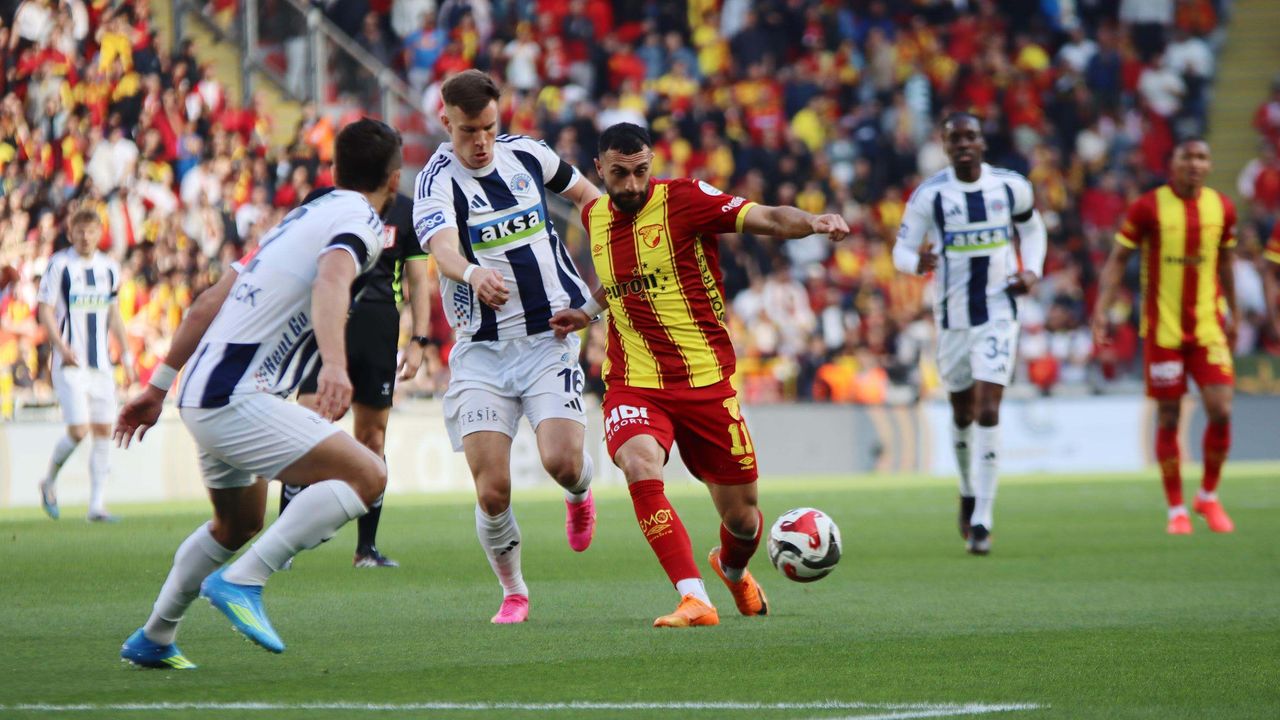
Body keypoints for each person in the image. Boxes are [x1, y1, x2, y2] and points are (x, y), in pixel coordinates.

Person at [114, 118, 401, 668]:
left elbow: (208, 301)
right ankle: (244, 579)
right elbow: (331, 281)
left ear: (334, 170)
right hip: (237, 396)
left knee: (238, 523)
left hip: (203, 389)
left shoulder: (296, 221)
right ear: (393, 180)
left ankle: (155, 636)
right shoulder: (361, 222)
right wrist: (335, 366)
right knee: (369, 476)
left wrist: (156, 388)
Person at [550, 122, 851, 628]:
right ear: (600, 169)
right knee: (639, 465)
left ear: (652, 163)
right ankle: (694, 598)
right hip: (634, 381)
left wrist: (814, 222)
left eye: (641, 171)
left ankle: (732, 570)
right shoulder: (594, 216)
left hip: (706, 381)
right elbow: (620, 280)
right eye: (619, 174)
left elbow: (768, 217)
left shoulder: (685, 200)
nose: (631, 184)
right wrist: (587, 312)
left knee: (744, 519)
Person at [411, 69, 601, 624]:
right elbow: (442, 249)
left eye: (489, 128)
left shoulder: (528, 155)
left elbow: (587, 195)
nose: (481, 142)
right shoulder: (435, 181)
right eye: (469, 130)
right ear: (446, 120)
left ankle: (579, 493)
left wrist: (611, 241)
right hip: (481, 352)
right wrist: (472, 273)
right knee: (493, 490)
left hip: (548, 337)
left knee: (563, 462)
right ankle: (514, 591)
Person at [892, 112, 1047, 556]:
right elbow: (901, 249)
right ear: (944, 146)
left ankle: (983, 518)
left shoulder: (1011, 187)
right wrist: (915, 263)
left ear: (982, 142)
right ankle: (966, 488)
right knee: (961, 412)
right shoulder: (930, 196)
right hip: (952, 318)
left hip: (999, 312)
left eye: (971, 137)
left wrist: (1032, 271)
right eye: (955, 138)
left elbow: (1033, 229)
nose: (963, 144)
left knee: (988, 408)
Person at [278, 189, 431, 569]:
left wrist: (418, 341)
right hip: (327, 320)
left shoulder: (405, 210)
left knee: (372, 439)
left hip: (379, 327)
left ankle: (366, 549)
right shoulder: (323, 199)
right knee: (307, 427)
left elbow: (417, 281)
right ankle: (282, 546)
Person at [1092, 137, 1237, 535]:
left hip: (1208, 328)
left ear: (1209, 165)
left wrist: (1236, 313)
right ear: (1172, 163)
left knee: (1222, 410)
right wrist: (1102, 309)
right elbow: (1118, 259)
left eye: (1202, 157)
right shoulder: (1147, 207)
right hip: (1163, 332)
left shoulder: (1222, 208)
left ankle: (1208, 496)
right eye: (1187, 157)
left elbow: (1226, 262)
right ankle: (1176, 510)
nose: (1195, 164)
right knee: (1169, 416)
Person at [36, 208, 136, 522]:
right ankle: (49, 481)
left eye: (91, 231)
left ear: (99, 233)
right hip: (70, 364)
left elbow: (114, 314)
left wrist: (127, 357)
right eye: (80, 230)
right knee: (79, 430)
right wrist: (60, 347)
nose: (85, 236)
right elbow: (45, 310)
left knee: (104, 430)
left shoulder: (108, 268)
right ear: (70, 233)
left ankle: (96, 505)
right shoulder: (59, 264)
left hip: (102, 364)